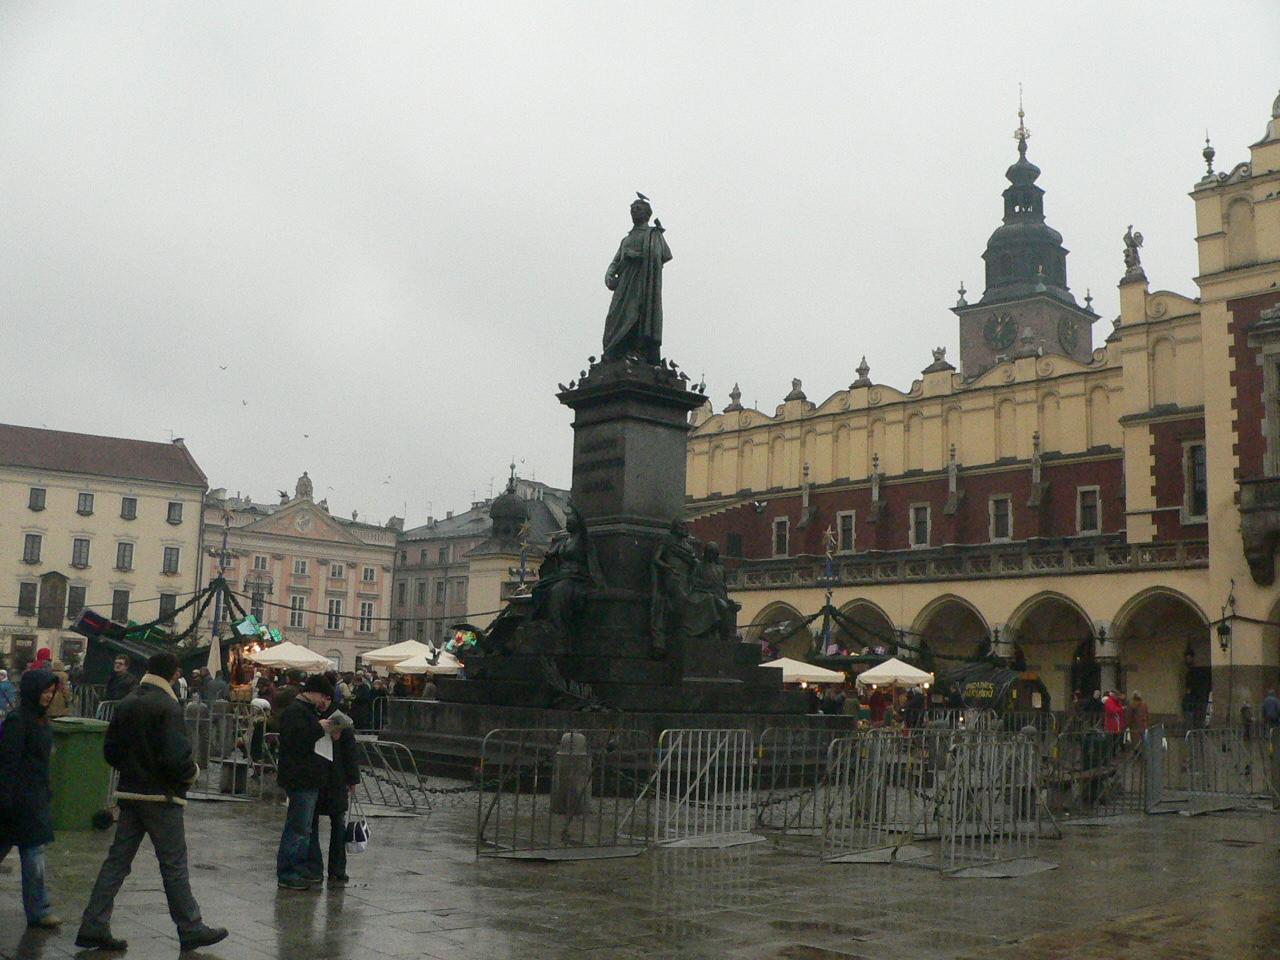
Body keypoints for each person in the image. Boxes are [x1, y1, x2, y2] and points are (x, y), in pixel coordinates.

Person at [76, 652, 227, 953]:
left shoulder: (128, 701)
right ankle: (190, 926)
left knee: (117, 862)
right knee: (173, 864)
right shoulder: (168, 706)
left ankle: (93, 924)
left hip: (131, 794)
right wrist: (191, 774)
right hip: (162, 796)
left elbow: (111, 751)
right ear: (173, 674)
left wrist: (132, 769)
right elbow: (176, 757)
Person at [0, 669, 62, 930]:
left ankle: (39, 910)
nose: (48, 696)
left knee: (34, 854)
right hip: (18, 799)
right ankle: (39, 910)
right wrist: (6, 798)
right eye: (45, 691)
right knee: (31, 854)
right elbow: (8, 762)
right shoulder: (18, 721)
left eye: (51, 691)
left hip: (34, 798)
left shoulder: (41, 720)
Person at [276, 675, 340, 890]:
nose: (323, 702)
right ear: (314, 692)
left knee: (304, 828)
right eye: (323, 696)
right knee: (298, 827)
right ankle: (288, 872)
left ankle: (300, 868)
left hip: (309, 777)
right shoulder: (296, 711)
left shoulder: (307, 711)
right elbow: (296, 741)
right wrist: (319, 728)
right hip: (300, 777)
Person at [309, 706, 359, 886]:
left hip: (335, 779)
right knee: (314, 824)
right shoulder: (312, 718)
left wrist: (352, 779)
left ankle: (336, 869)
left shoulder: (341, 722)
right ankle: (317, 868)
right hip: (318, 778)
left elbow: (350, 751)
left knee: (337, 823)